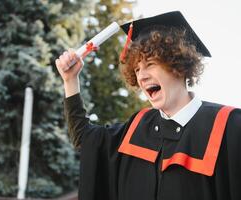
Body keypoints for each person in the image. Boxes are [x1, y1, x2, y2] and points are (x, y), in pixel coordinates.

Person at [55, 11, 241, 200]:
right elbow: (85, 138)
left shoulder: (229, 127)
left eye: (150, 64)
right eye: (136, 69)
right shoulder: (136, 129)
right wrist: (70, 81)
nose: (141, 77)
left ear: (179, 65)